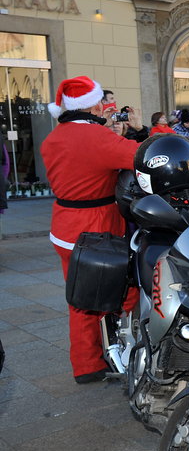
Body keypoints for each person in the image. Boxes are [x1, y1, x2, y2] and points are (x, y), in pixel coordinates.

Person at [41, 76, 141, 383]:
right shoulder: (96, 137)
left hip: (64, 226)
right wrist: (137, 130)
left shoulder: (53, 138)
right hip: (95, 227)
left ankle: (87, 364)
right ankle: (122, 348)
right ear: (96, 105)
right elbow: (139, 156)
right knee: (124, 289)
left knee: (79, 297)